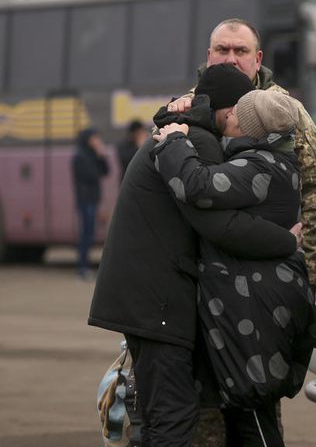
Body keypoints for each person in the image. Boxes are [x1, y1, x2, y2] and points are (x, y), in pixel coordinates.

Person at [88, 64, 300, 447]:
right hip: (158, 301)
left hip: (143, 296)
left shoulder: (186, 133)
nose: (240, 117)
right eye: (238, 109)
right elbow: (218, 223)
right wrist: (287, 242)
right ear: (224, 109)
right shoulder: (195, 143)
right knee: (173, 417)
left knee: (155, 418)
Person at [153, 87, 316, 447]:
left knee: (253, 413)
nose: (228, 117)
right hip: (256, 306)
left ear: (251, 128)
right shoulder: (274, 160)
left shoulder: (259, 167)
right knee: (247, 412)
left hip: (254, 312)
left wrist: (173, 142)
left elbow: (196, 185)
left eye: (236, 116)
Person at [168, 18, 316, 292]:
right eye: (222, 50)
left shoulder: (284, 110)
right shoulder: (183, 108)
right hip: (199, 274)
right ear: (209, 56)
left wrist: (312, 276)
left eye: (241, 51)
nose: (231, 59)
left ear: (258, 59)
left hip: (270, 270)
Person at [72, 128, 109, 279]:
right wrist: (98, 156)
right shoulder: (80, 156)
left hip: (93, 199)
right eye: (95, 138)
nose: (97, 142)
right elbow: (93, 175)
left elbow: (106, 171)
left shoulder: (92, 155)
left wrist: (101, 156)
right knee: (86, 234)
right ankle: (82, 267)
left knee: (90, 232)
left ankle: (84, 266)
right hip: (85, 200)